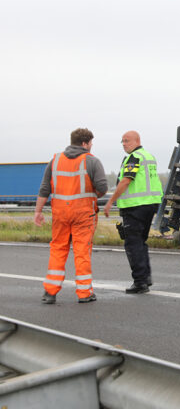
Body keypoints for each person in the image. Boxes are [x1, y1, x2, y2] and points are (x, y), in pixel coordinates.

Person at [35, 128, 108, 304]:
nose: (91, 146)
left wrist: (37, 211)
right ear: (84, 143)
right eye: (90, 143)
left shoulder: (56, 160)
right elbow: (103, 187)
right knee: (82, 251)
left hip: (60, 213)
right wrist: (92, 196)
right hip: (83, 214)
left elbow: (45, 188)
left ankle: (50, 292)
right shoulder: (92, 161)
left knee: (58, 249)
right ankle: (84, 293)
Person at [104, 131, 163, 294]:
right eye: (122, 141)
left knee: (133, 243)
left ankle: (140, 282)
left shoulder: (134, 157)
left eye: (127, 141)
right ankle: (146, 277)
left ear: (137, 141)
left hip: (135, 207)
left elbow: (126, 180)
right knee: (141, 241)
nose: (124, 144)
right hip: (150, 205)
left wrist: (110, 201)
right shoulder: (148, 156)